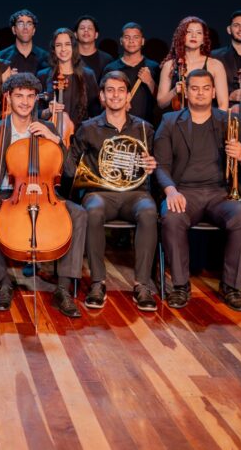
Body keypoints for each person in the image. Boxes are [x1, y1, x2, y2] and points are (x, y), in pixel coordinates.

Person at [0, 72, 87, 318]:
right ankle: (2, 283)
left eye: (30, 96)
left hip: (46, 193)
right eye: (19, 96)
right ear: (8, 98)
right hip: (8, 193)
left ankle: (63, 289)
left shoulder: (46, 128)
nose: (25, 102)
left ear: (37, 99)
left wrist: (56, 140)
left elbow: (69, 171)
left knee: (78, 214)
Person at [154, 69, 241, 311]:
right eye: (194, 88)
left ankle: (231, 286)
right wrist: (170, 191)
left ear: (213, 92)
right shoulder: (170, 122)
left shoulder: (230, 121)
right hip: (183, 191)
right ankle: (180, 285)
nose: (200, 93)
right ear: (186, 92)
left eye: (205, 88)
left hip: (221, 193)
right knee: (171, 217)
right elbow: (160, 165)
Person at [65, 71, 159, 311]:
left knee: (149, 212)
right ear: (102, 96)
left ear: (128, 97)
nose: (115, 95)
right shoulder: (87, 128)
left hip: (135, 194)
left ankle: (142, 284)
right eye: (110, 91)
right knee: (92, 211)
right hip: (99, 193)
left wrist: (151, 164)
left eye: (120, 91)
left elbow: (155, 163)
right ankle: (98, 282)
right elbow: (69, 167)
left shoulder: (144, 129)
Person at [156, 16, 230, 112]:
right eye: (189, 32)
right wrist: (174, 91)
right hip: (177, 122)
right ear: (182, 36)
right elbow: (161, 103)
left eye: (198, 33)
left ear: (203, 39)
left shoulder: (215, 65)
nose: (193, 36)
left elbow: (223, 104)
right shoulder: (170, 65)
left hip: (207, 122)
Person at [38, 28, 100, 125]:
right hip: (51, 135)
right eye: (58, 45)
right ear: (54, 49)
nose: (63, 49)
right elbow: (36, 112)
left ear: (73, 47)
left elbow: (96, 111)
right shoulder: (43, 75)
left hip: (82, 134)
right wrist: (47, 111)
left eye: (67, 44)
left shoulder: (88, 75)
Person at [102, 22, 159, 123]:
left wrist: (150, 81)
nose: (131, 41)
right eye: (127, 37)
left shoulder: (153, 67)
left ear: (142, 41)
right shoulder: (111, 68)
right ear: (121, 41)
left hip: (148, 124)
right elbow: (102, 99)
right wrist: (118, 106)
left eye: (136, 37)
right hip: (117, 123)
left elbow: (161, 101)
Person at [0, 9, 48, 75]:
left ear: (33, 30)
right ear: (14, 30)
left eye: (29, 24)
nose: (25, 28)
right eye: (21, 24)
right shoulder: (1, 57)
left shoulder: (46, 58)